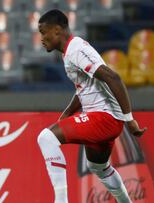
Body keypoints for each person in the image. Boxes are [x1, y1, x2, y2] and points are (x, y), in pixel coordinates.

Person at [36, 9, 147, 203]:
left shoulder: (75, 49)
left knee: (46, 138)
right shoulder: (70, 51)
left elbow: (113, 77)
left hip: (104, 118)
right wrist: (67, 113)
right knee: (99, 167)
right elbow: (85, 88)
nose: (41, 39)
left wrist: (129, 120)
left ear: (56, 30)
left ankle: (61, 200)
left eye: (43, 32)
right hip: (105, 120)